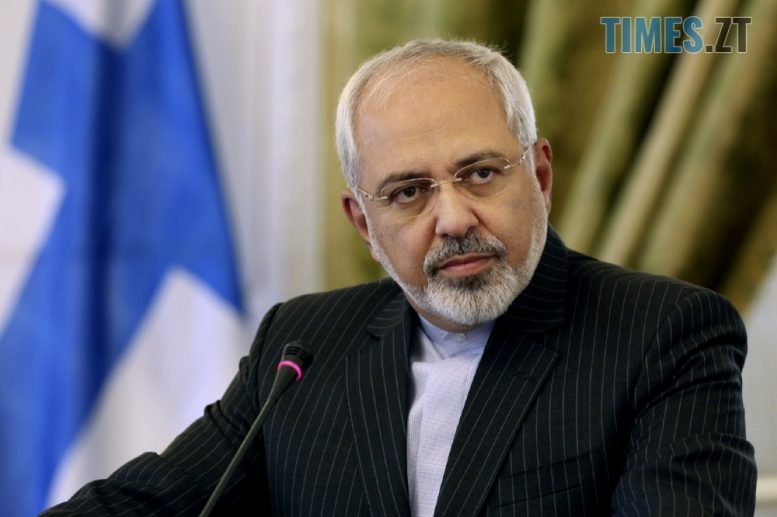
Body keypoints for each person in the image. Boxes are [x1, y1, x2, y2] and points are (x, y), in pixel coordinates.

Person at [43, 38, 756, 516]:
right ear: (363, 222)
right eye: (408, 191)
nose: (452, 219)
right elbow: (150, 503)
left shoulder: (662, 334)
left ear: (539, 176)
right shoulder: (303, 344)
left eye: (480, 173)